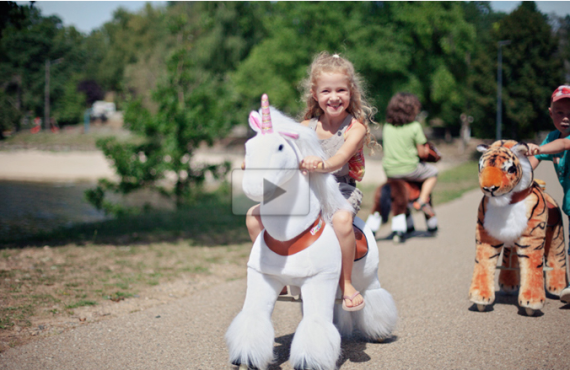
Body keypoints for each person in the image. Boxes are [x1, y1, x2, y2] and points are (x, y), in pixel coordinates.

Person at [246, 52, 377, 311]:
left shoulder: (356, 128)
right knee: (253, 215)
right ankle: (275, 271)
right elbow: (282, 150)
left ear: (351, 92)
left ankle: (347, 282)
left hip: (340, 187)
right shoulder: (305, 125)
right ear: (315, 94)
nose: (334, 96)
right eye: (326, 90)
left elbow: (339, 159)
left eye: (341, 89)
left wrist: (321, 164)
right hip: (306, 187)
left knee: (340, 221)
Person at [525, 85, 570, 304]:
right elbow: (530, 165)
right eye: (560, 112)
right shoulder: (551, 136)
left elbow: (563, 144)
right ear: (551, 113)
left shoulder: (558, 141)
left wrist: (540, 149)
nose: (566, 118)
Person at [381, 92, 438, 240]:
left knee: (400, 195)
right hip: (410, 169)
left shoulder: (387, 127)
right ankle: (423, 200)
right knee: (432, 172)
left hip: (390, 171)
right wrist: (426, 150)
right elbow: (421, 153)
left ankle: (407, 225)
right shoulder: (415, 126)